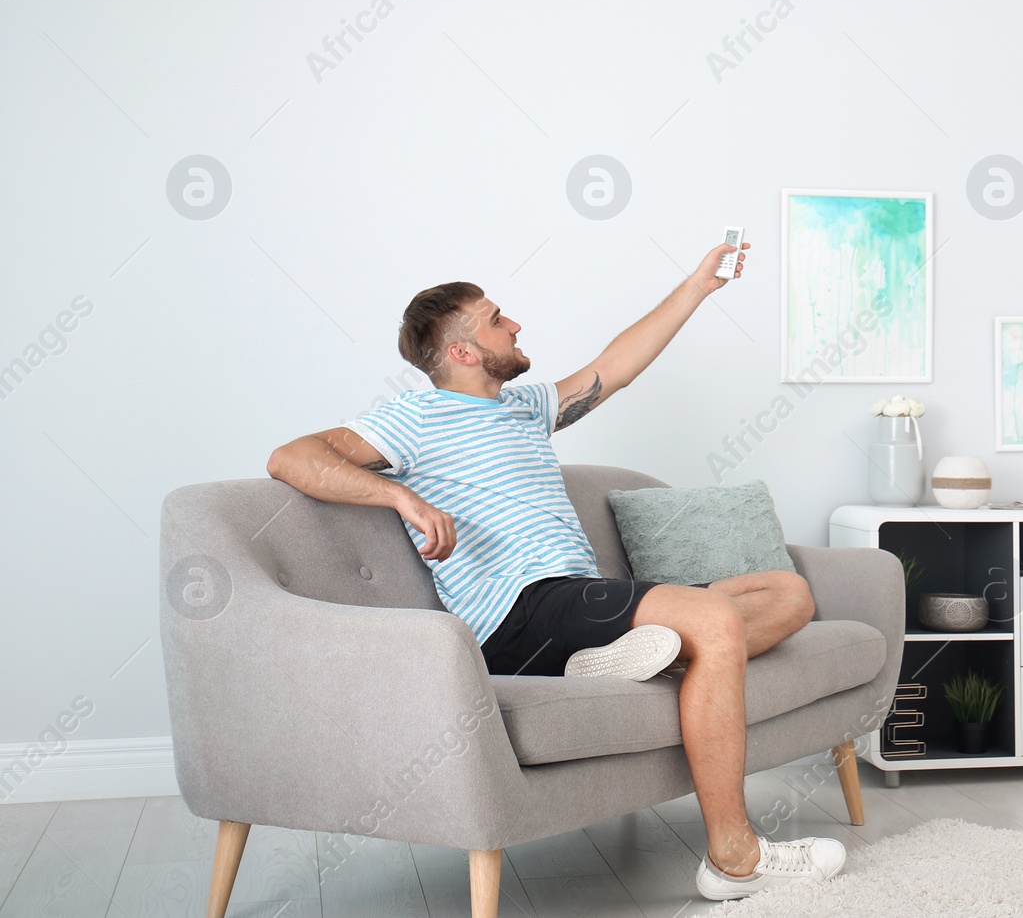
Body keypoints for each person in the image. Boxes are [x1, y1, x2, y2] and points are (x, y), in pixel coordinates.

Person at [265, 240, 847, 900]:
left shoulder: (524, 406)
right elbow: (290, 457)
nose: (514, 325)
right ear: (462, 351)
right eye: (496, 319)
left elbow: (613, 369)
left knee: (790, 593)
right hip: (514, 616)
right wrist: (400, 495)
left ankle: (655, 654)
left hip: (576, 599)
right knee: (716, 618)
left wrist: (697, 286)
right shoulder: (414, 417)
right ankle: (734, 857)